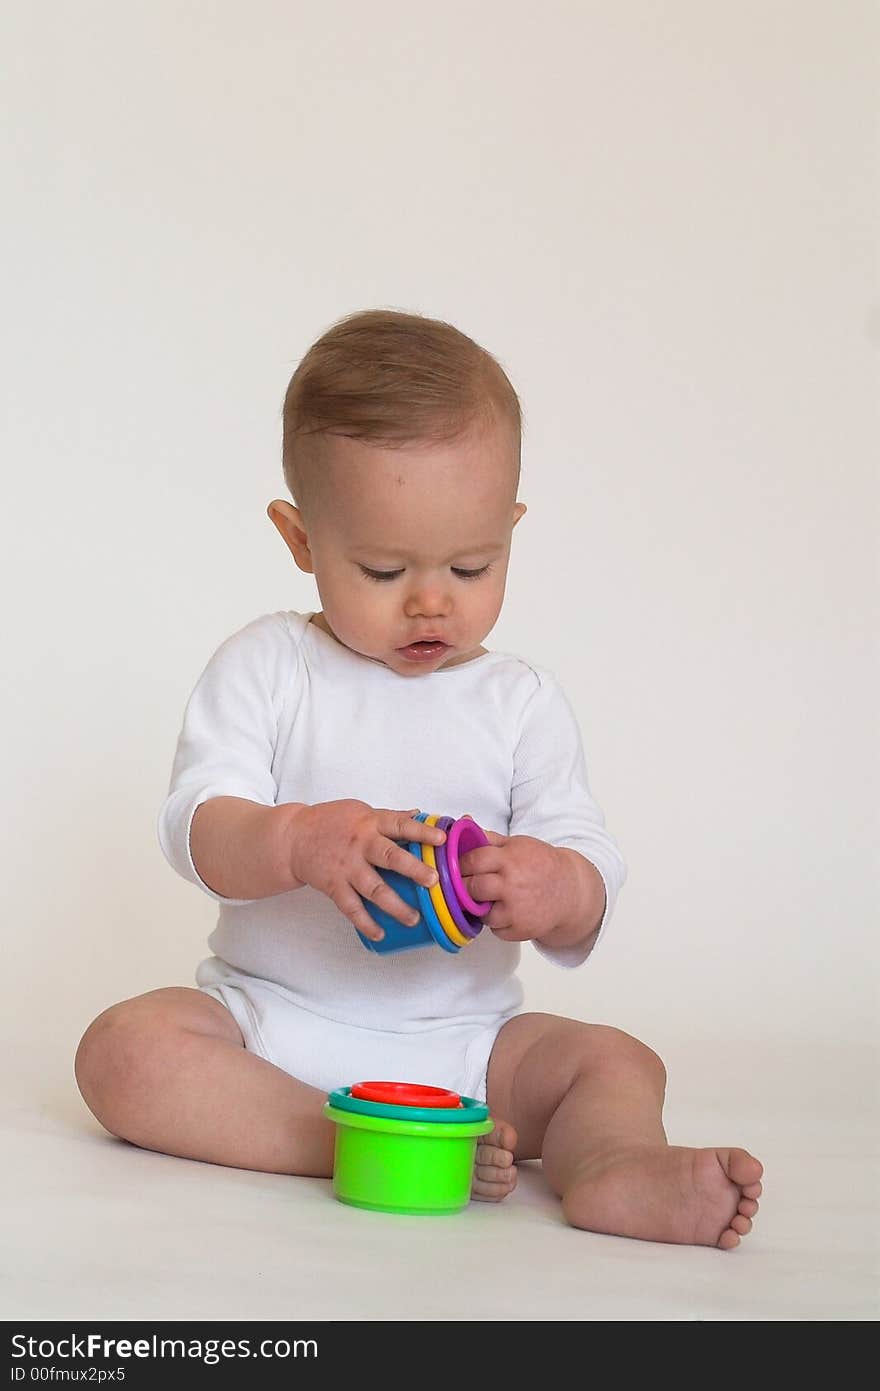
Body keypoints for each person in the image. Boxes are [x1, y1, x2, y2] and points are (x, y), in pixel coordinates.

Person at [74, 308, 762, 1248]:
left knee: (615, 1059)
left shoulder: (517, 701)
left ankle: (611, 1167)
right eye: (385, 567)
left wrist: (553, 885)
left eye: (472, 563)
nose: (432, 599)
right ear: (300, 538)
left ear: (510, 529)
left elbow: (587, 861)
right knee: (124, 1050)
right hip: (272, 1030)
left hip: (470, 1051)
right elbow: (197, 824)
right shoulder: (269, 665)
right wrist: (296, 838)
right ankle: (348, 1137)